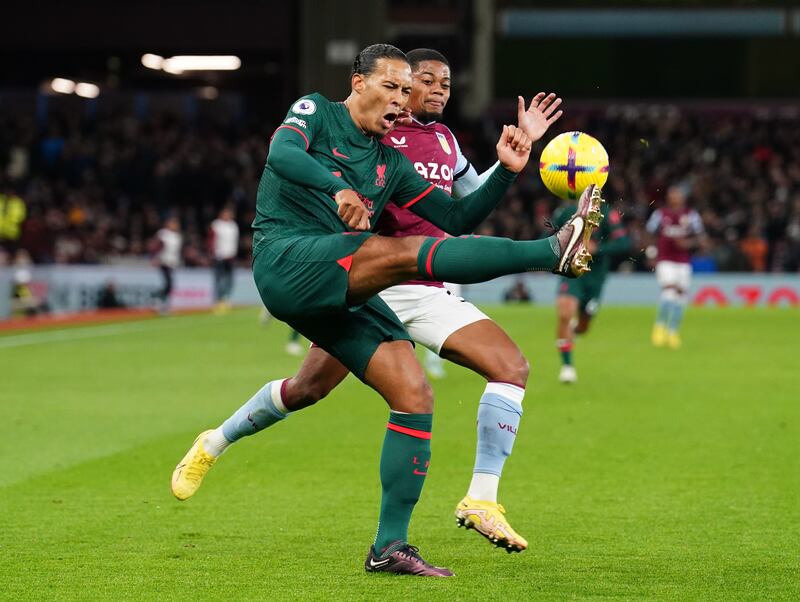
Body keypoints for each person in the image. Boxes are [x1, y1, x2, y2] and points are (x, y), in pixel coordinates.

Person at [171, 44, 602, 577]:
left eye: (406, 91)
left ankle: (388, 546)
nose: (402, 99)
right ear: (357, 83)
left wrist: (508, 170)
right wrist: (337, 189)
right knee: (399, 253)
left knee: (411, 393)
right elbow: (282, 156)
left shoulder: (393, 161)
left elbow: (455, 213)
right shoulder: (316, 112)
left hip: (347, 278)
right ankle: (549, 252)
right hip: (288, 259)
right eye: (394, 87)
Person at [553, 199, 630, 383]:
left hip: (595, 276)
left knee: (583, 326)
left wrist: (598, 249)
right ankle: (567, 366)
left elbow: (624, 243)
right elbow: (546, 236)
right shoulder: (567, 211)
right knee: (565, 313)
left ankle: (575, 329)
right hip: (570, 271)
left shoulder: (606, 212)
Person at [647, 185, 704, 349]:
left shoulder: (691, 216)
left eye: (678, 195)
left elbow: (701, 237)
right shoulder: (660, 215)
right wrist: (651, 253)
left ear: (683, 198)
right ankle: (659, 327)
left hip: (683, 262)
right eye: (672, 195)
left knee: (681, 298)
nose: (675, 198)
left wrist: (688, 243)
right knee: (669, 292)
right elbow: (649, 233)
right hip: (665, 260)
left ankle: (673, 331)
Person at [209, 206, 240, 314]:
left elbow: (234, 242)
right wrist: (214, 254)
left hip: (230, 256)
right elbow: (211, 240)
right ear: (221, 214)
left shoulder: (234, 226)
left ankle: (226, 299)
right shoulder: (216, 225)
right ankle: (218, 300)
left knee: (230, 279)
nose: (228, 216)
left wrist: (234, 254)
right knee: (219, 279)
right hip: (220, 256)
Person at [151, 216, 182, 314]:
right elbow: (156, 246)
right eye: (172, 223)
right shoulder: (163, 234)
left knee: (170, 285)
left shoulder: (178, 236)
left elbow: (176, 251)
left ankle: (162, 303)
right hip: (164, 261)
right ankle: (158, 300)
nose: (175, 226)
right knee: (169, 283)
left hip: (172, 262)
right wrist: (155, 258)